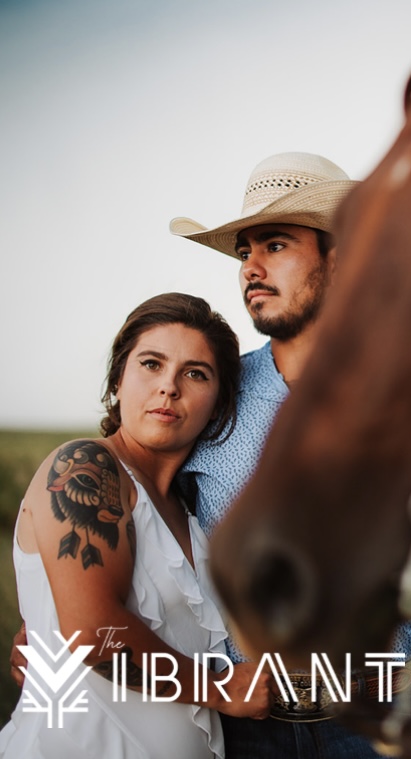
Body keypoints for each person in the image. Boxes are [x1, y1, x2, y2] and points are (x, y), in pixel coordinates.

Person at [169, 152, 411, 759]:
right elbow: (135, 509)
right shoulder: (210, 399)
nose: (250, 267)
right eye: (245, 251)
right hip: (237, 733)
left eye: (275, 245)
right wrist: (68, 616)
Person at [0, 293, 272, 759]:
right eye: (151, 363)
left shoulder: (191, 509)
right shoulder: (87, 466)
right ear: (118, 380)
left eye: (195, 373)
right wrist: (222, 690)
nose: (169, 387)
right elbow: (91, 633)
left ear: (219, 402)